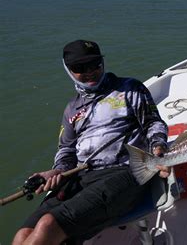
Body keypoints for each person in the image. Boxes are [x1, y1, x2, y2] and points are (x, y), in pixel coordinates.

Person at [12, 40, 170, 245]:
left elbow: (153, 123)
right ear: (68, 70)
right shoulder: (71, 109)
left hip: (125, 171)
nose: (90, 72)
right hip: (80, 177)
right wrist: (57, 172)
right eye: (80, 68)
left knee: (48, 225)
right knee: (23, 234)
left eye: (95, 64)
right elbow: (66, 150)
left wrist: (158, 147)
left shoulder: (130, 89)